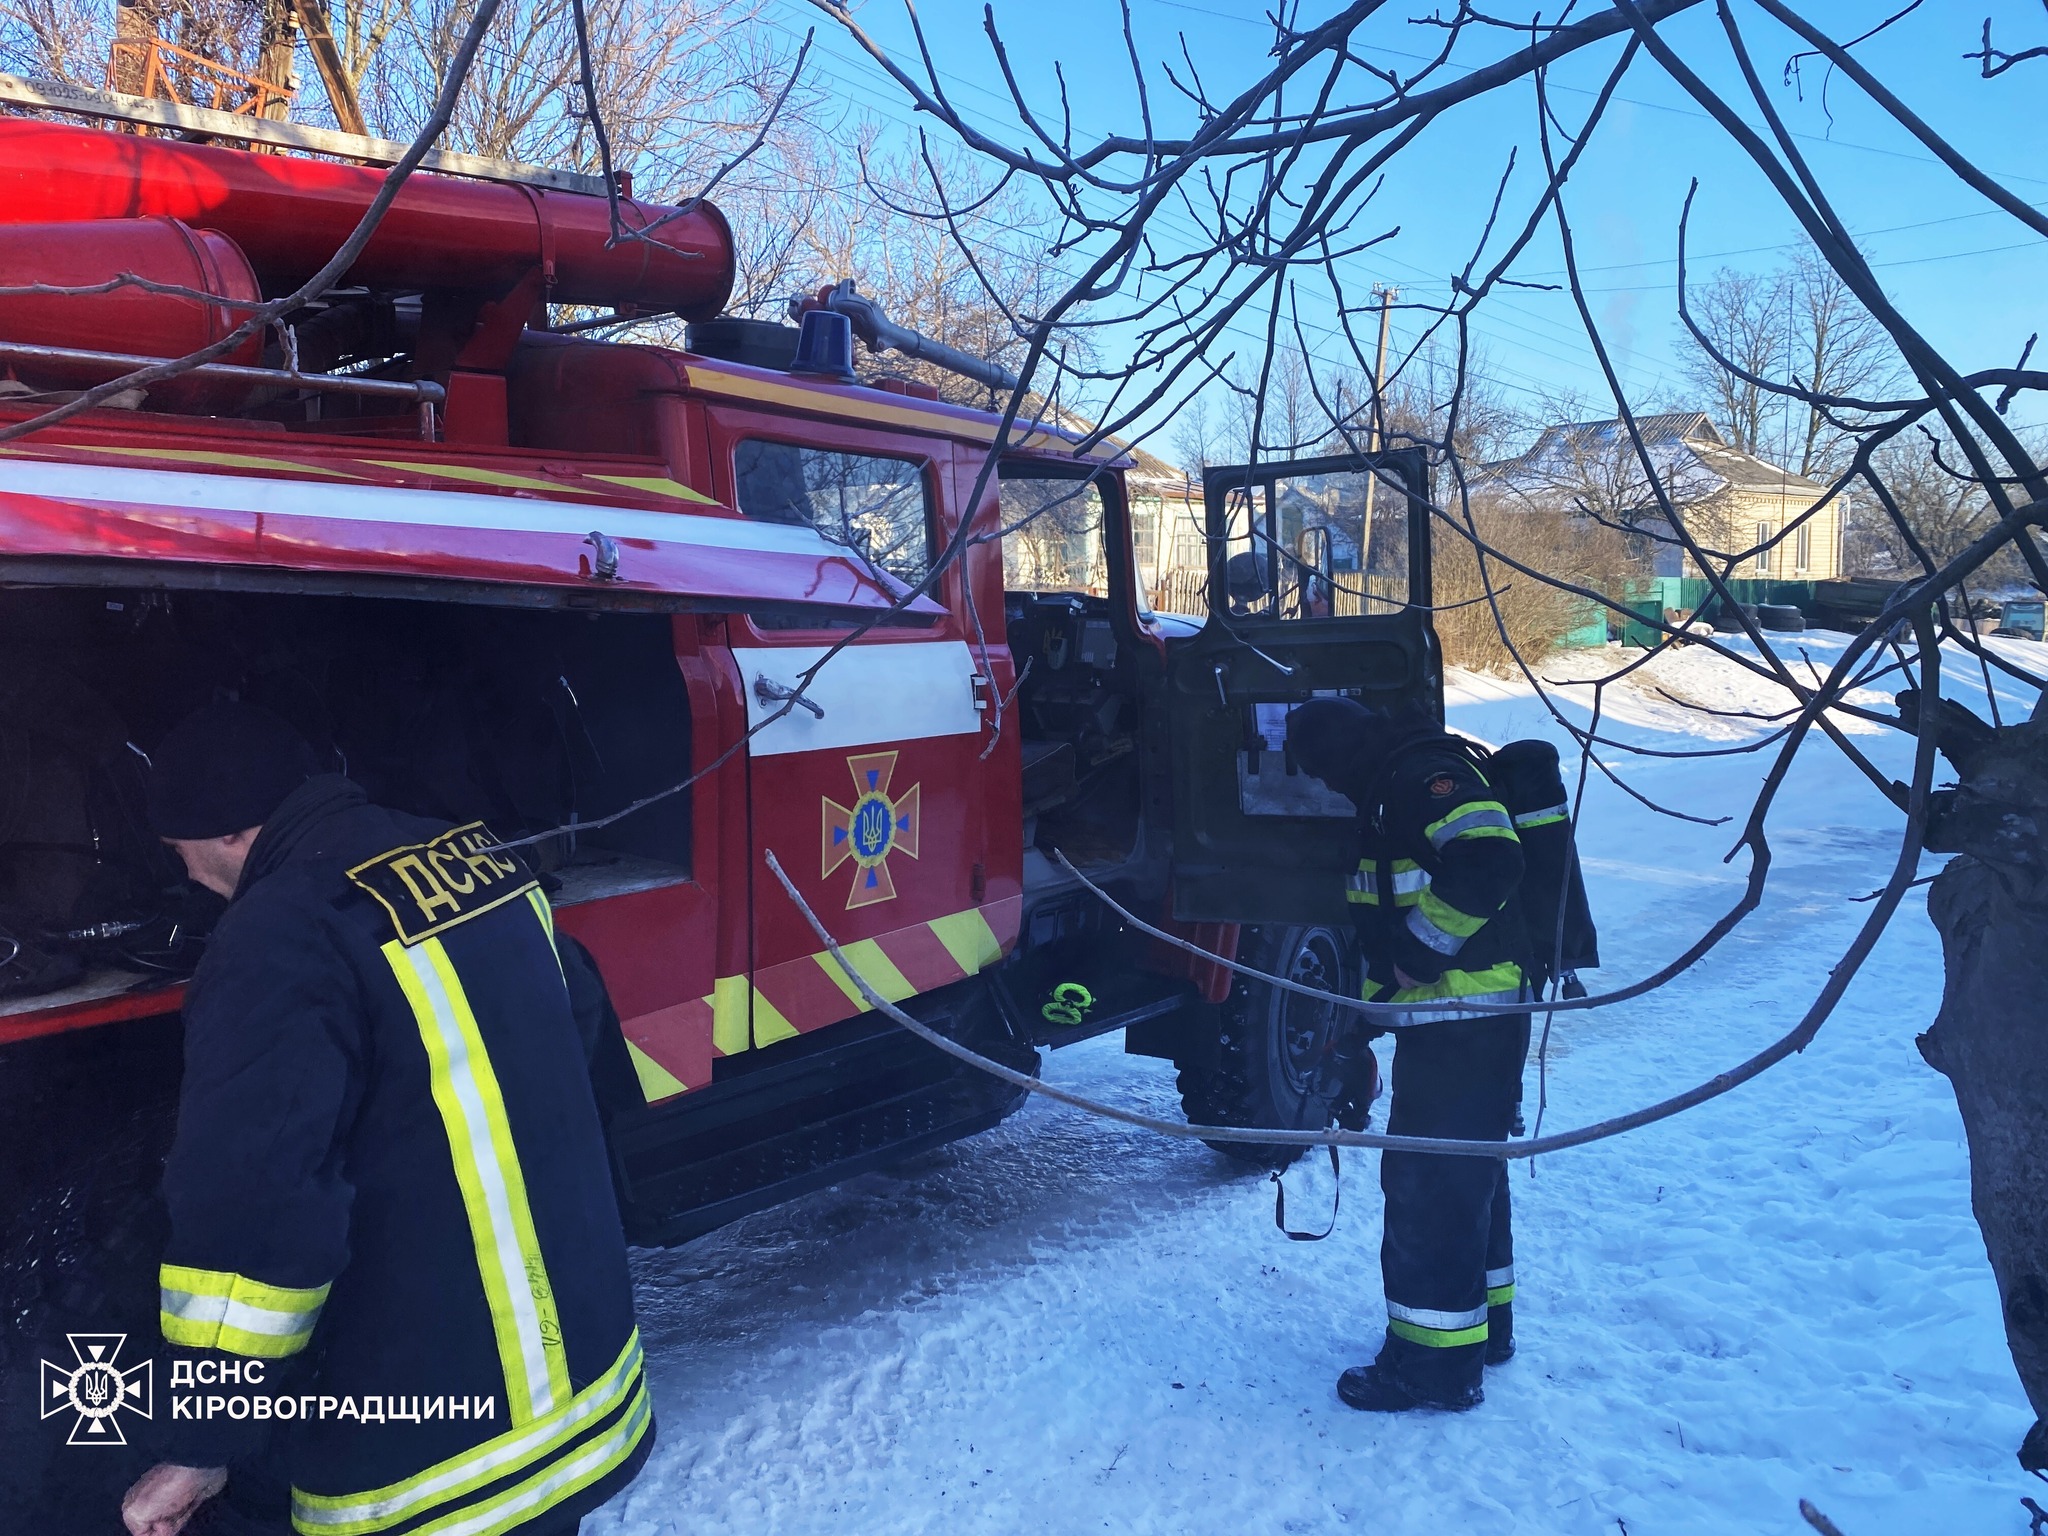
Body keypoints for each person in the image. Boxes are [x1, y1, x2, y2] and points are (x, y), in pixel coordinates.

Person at [121, 702, 652, 1536]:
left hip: (438, 1460)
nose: (183, 875)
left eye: (178, 849)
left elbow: (254, 1220)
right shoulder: (479, 855)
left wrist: (202, 1442)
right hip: (579, 1405)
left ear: (224, 830)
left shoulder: (276, 935)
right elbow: (585, 1063)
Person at [1288, 696, 1532, 1414]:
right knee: (1467, 1172)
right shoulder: (1394, 782)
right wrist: (1362, 1017)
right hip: (1460, 1018)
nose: (1329, 789)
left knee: (1430, 1185)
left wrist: (1421, 955)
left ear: (1341, 756)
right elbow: (1393, 937)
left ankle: (1432, 1369)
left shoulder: (1419, 778)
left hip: (1466, 1014)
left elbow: (1490, 859)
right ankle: (1484, 1333)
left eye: (1325, 773)